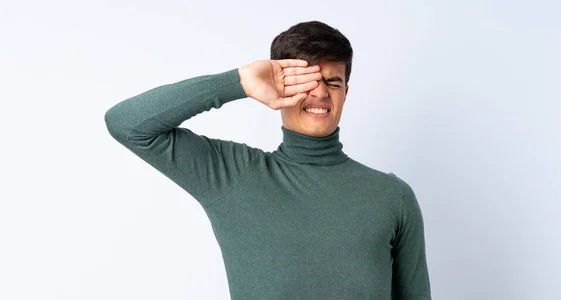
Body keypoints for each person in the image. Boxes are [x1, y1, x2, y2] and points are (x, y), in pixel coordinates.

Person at [105, 20, 431, 300]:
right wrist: (239, 82)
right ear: (280, 86)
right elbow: (127, 124)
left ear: (345, 92)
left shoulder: (392, 196)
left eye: (332, 82)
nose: (319, 93)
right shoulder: (231, 174)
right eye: (305, 81)